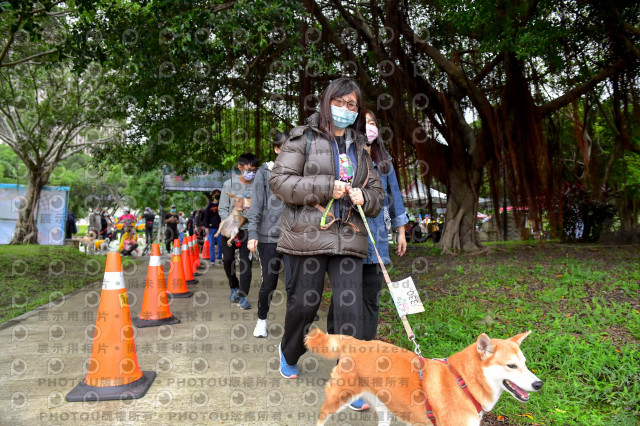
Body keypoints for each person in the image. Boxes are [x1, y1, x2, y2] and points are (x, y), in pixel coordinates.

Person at [269, 78, 384, 379]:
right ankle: (290, 351)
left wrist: (365, 196)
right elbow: (279, 183)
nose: (344, 109)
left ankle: (348, 374)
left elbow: (377, 194)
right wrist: (324, 187)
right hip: (307, 236)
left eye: (351, 105)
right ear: (326, 102)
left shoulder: (360, 148)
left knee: (350, 312)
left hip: (349, 237)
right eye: (339, 102)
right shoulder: (302, 138)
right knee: (305, 306)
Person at [326, 109, 408, 410]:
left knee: (371, 302)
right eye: (366, 123)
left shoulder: (385, 164)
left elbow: (395, 197)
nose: (370, 127)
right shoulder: (343, 157)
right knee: (345, 302)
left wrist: (400, 231)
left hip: (377, 245)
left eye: (374, 123)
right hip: (347, 240)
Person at [247, 130, 290, 338]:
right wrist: (252, 233)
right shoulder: (264, 173)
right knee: (270, 282)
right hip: (268, 237)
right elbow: (256, 205)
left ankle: (293, 326)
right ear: (276, 149)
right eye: (285, 148)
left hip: (294, 238)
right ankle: (261, 320)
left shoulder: (299, 172)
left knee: (294, 284)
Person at [218, 152, 259, 310]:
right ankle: (233, 285)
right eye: (249, 170)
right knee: (228, 260)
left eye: (254, 171)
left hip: (248, 230)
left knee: (246, 263)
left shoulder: (257, 185)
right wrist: (227, 221)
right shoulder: (229, 184)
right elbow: (222, 208)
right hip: (229, 228)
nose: (252, 174)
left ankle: (243, 295)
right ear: (240, 167)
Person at [204, 190, 223, 265]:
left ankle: (219, 258)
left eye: (219, 194)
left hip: (220, 228)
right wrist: (206, 227)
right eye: (216, 194)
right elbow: (206, 217)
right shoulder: (209, 206)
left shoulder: (222, 205)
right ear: (213, 196)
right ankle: (212, 260)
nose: (217, 195)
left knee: (220, 244)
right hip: (211, 228)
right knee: (211, 244)